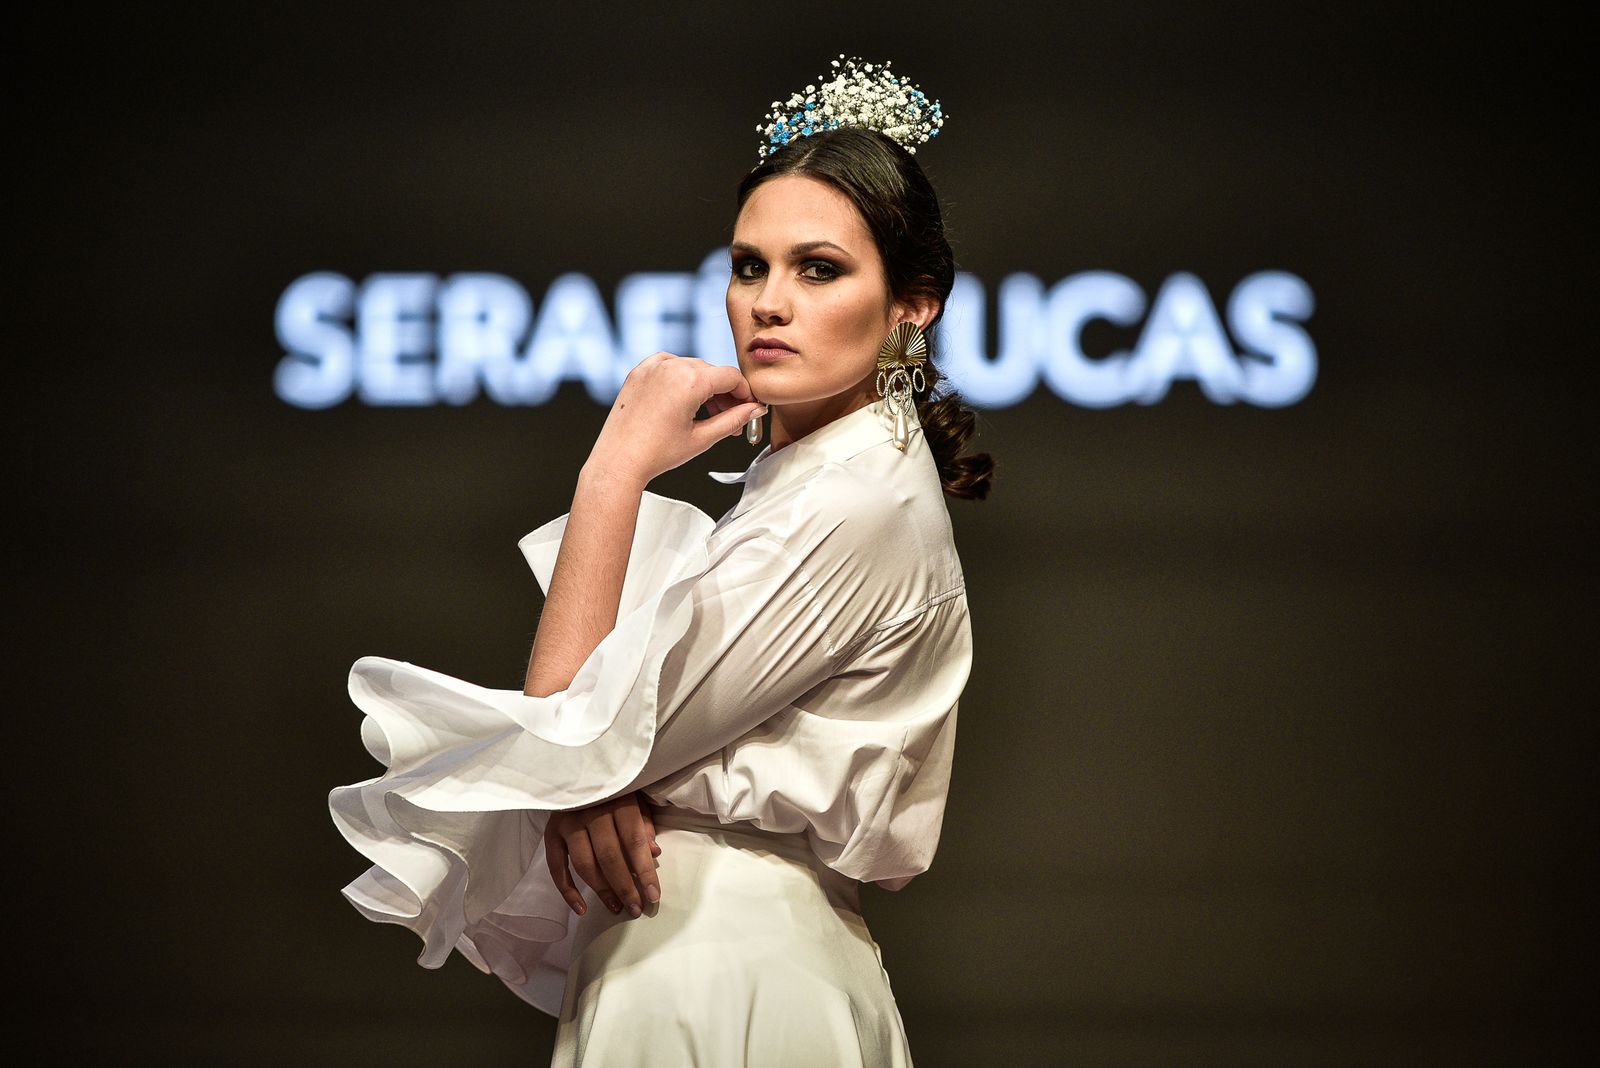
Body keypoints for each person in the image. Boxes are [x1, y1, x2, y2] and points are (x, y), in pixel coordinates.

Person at [328, 56, 994, 1066]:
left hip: (725, 964)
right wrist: (593, 771)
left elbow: (562, 730)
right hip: (699, 948)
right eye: (747, 265)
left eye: (819, 269)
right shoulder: (816, 475)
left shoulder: (855, 495)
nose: (769, 301)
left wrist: (614, 470)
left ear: (913, 306)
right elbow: (582, 742)